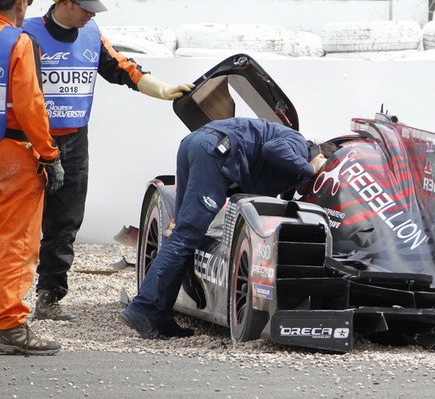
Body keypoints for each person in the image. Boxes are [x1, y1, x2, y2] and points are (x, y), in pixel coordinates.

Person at [22, 0, 194, 322]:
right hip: (25, 141)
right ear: (63, 2)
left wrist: (163, 90)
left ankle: (49, 297)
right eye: (86, 8)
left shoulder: (91, 34)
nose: (92, 15)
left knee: (65, 222)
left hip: (73, 140)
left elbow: (123, 69)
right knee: (16, 223)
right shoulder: (24, 34)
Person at [120, 118, 328, 339]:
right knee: (186, 236)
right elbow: (272, 149)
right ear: (317, 154)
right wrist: (310, 168)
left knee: (182, 233)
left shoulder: (279, 163)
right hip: (213, 149)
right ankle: (143, 308)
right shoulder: (297, 143)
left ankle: (159, 316)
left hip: (197, 142)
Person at [0, 0, 64, 355]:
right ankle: (10, 325)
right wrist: (49, 153)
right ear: (21, 2)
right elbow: (29, 105)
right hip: (12, 154)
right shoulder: (17, 42)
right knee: (17, 241)